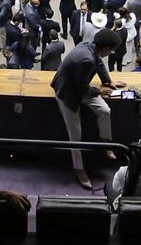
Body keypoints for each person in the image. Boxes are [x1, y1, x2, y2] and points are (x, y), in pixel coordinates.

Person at [51, 29, 124, 189]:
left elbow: (99, 62)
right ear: (105, 48)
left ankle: (105, 143)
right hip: (67, 92)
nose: (111, 53)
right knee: (75, 135)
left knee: (105, 111)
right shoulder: (86, 60)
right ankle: (79, 169)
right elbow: (81, 89)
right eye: (111, 50)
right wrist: (100, 91)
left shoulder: (91, 45)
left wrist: (108, 81)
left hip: (79, 86)